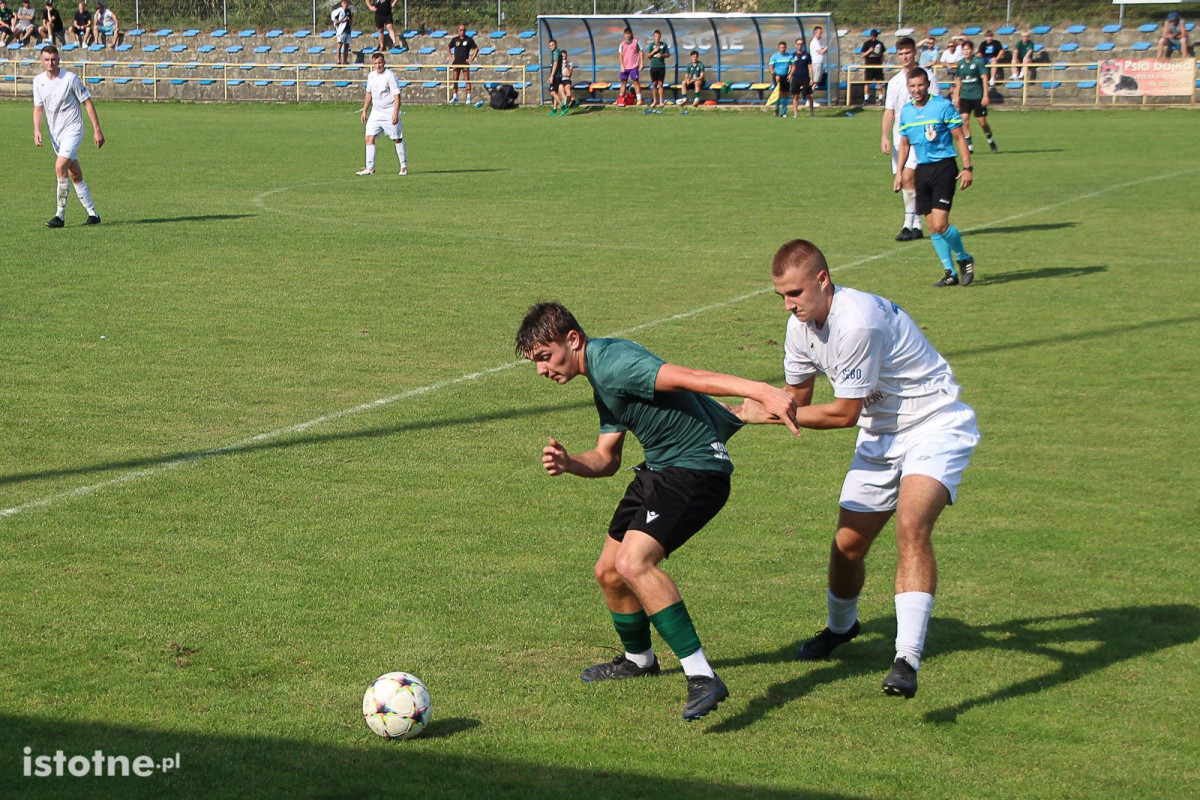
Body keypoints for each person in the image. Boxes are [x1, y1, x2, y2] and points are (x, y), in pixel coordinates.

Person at [514, 301, 799, 721]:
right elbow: (607, 459)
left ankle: (702, 675)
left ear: (572, 339)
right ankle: (639, 660)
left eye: (544, 356)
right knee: (608, 571)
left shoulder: (614, 363)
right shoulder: (600, 376)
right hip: (659, 471)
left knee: (634, 563)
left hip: (694, 471)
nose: (541, 369)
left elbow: (692, 378)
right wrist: (570, 462)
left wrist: (759, 388)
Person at [730, 238, 980, 700]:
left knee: (911, 527)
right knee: (847, 547)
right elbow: (797, 403)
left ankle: (906, 659)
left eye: (796, 294)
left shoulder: (858, 321)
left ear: (822, 280)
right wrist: (743, 410)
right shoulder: (798, 328)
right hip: (880, 435)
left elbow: (843, 414)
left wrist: (758, 413)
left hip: (935, 425)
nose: (789, 305)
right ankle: (841, 629)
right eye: (781, 296)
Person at [894, 67, 975, 287]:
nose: (916, 90)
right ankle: (950, 272)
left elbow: (959, 138)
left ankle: (964, 258)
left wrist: (968, 167)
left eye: (920, 85)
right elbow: (904, 144)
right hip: (922, 170)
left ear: (928, 85)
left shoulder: (942, 106)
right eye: (912, 86)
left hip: (944, 168)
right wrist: (899, 173)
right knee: (931, 228)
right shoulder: (907, 112)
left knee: (941, 224)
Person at [33, 45, 103, 227]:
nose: (50, 63)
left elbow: (87, 102)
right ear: (42, 60)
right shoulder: (38, 81)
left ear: (59, 60)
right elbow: (38, 108)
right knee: (74, 173)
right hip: (55, 134)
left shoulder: (70, 78)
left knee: (60, 167)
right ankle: (93, 214)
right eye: (47, 59)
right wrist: (37, 130)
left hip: (73, 130)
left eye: (54, 59)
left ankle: (60, 216)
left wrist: (97, 129)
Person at [881, 37, 938, 242]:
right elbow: (889, 112)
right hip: (900, 139)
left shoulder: (928, 77)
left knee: (908, 177)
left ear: (915, 53)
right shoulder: (895, 82)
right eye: (901, 53)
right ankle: (916, 225)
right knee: (907, 181)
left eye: (908, 52)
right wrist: (884, 136)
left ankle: (908, 224)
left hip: (922, 139)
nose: (905, 57)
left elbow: (935, 107)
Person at [356, 51, 406, 177]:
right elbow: (369, 94)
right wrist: (364, 110)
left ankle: (403, 166)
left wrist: (395, 113)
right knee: (369, 137)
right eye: (376, 63)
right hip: (376, 112)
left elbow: (397, 95)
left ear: (384, 63)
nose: (378, 66)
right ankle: (370, 167)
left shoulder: (390, 76)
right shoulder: (371, 76)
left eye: (380, 63)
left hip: (389, 111)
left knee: (397, 138)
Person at [953, 40, 997, 155]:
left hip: (977, 96)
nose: (966, 51)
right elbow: (958, 81)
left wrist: (985, 95)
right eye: (964, 49)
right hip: (965, 96)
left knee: (982, 122)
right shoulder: (960, 64)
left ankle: (990, 140)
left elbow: (984, 78)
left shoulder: (978, 62)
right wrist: (957, 96)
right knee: (964, 120)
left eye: (968, 49)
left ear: (972, 50)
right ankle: (970, 146)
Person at [447, 23, 477, 104]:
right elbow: (448, 47)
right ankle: (455, 97)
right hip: (456, 63)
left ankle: (468, 97)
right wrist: (451, 56)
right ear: (458, 31)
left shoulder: (469, 40)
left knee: (467, 79)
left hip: (464, 63)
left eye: (463, 30)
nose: (462, 32)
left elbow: (476, 48)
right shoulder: (455, 39)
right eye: (461, 30)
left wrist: (472, 58)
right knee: (455, 80)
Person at [788, 34, 814, 117]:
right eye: (798, 44)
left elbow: (810, 66)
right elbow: (791, 67)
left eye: (801, 44)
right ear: (796, 45)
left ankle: (812, 113)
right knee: (796, 96)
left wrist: (811, 78)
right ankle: (795, 114)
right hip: (796, 77)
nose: (800, 46)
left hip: (805, 77)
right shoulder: (792, 55)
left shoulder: (806, 55)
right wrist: (789, 75)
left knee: (809, 95)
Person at [546, 38, 572, 116]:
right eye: (549, 45)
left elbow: (556, 64)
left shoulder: (556, 52)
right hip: (558, 75)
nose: (551, 47)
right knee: (556, 92)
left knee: (552, 92)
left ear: (556, 45)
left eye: (552, 45)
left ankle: (563, 107)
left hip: (556, 76)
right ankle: (554, 110)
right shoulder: (556, 52)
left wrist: (552, 76)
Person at [618, 27, 642, 106]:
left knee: (636, 82)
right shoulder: (622, 44)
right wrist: (622, 65)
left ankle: (639, 99)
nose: (627, 36)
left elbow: (641, 52)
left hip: (633, 66)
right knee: (623, 83)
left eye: (628, 34)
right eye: (625, 34)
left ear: (631, 34)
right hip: (625, 67)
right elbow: (621, 55)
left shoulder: (636, 42)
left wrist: (641, 63)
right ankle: (620, 99)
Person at [859, 29, 885, 104]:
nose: (873, 38)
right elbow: (863, 55)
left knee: (879, 82)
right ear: (870, 36)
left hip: (878, 65)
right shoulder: (867, 44)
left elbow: (882, 55)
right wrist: (869, 51)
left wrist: (884, 63)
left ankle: (880, 99)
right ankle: (866, 99)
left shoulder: (880, 43)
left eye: (875, 36)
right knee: (867, 83)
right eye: (872, 36)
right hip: (869, 65)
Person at [645, 29, 669, 108]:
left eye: (658, 36)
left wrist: (662, 55)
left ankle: (661, 101)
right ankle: (655, 101)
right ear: (654, 37)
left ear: (660, 37)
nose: (657, 37)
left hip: (661, 66)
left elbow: (668, 55)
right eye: (656, 36)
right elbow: (648, 56)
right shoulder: (651, 45)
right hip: (654, 66)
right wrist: (654, 51)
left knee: (661, 84)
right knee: (654, 84)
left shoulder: (664, 45)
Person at [768, 40, 791, 117]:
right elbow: (771, 67)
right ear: (779, 48)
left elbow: (793, 66)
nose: (782, 49)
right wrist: (775, 75)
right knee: (778, 94)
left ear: (785, 48)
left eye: (783, 47)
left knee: (786, 94)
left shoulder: (789, 56)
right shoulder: (774, 57)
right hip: (777, 76)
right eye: (781, 48)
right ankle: (776, 110)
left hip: (786, 76)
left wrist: (790, 74)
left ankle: (784, 112)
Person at [330, 0, 351, 65]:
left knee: (346, 46)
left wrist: (350, 24)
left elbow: (350, 19)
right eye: (344, 3)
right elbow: (336, 21)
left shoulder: (348, 11)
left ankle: (345, 61)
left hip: (347, 30)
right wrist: (342, 21)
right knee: (339, 45)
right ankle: (338, 60)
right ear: (342, 4)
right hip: (341, 31)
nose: (345, 5)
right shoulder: (339, 11)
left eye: (346, 3)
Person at [809, 25, 827, 94]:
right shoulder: (814, 42)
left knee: (816, 81)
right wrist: (827, 46)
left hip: (819, 63)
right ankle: (809, 99)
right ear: (815, 33)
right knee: (814, 81)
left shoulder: (818, 42)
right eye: (820, 33)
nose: (821, 35)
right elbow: (821, 51)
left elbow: (822, 49)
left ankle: (809, 99)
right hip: (816, 63)